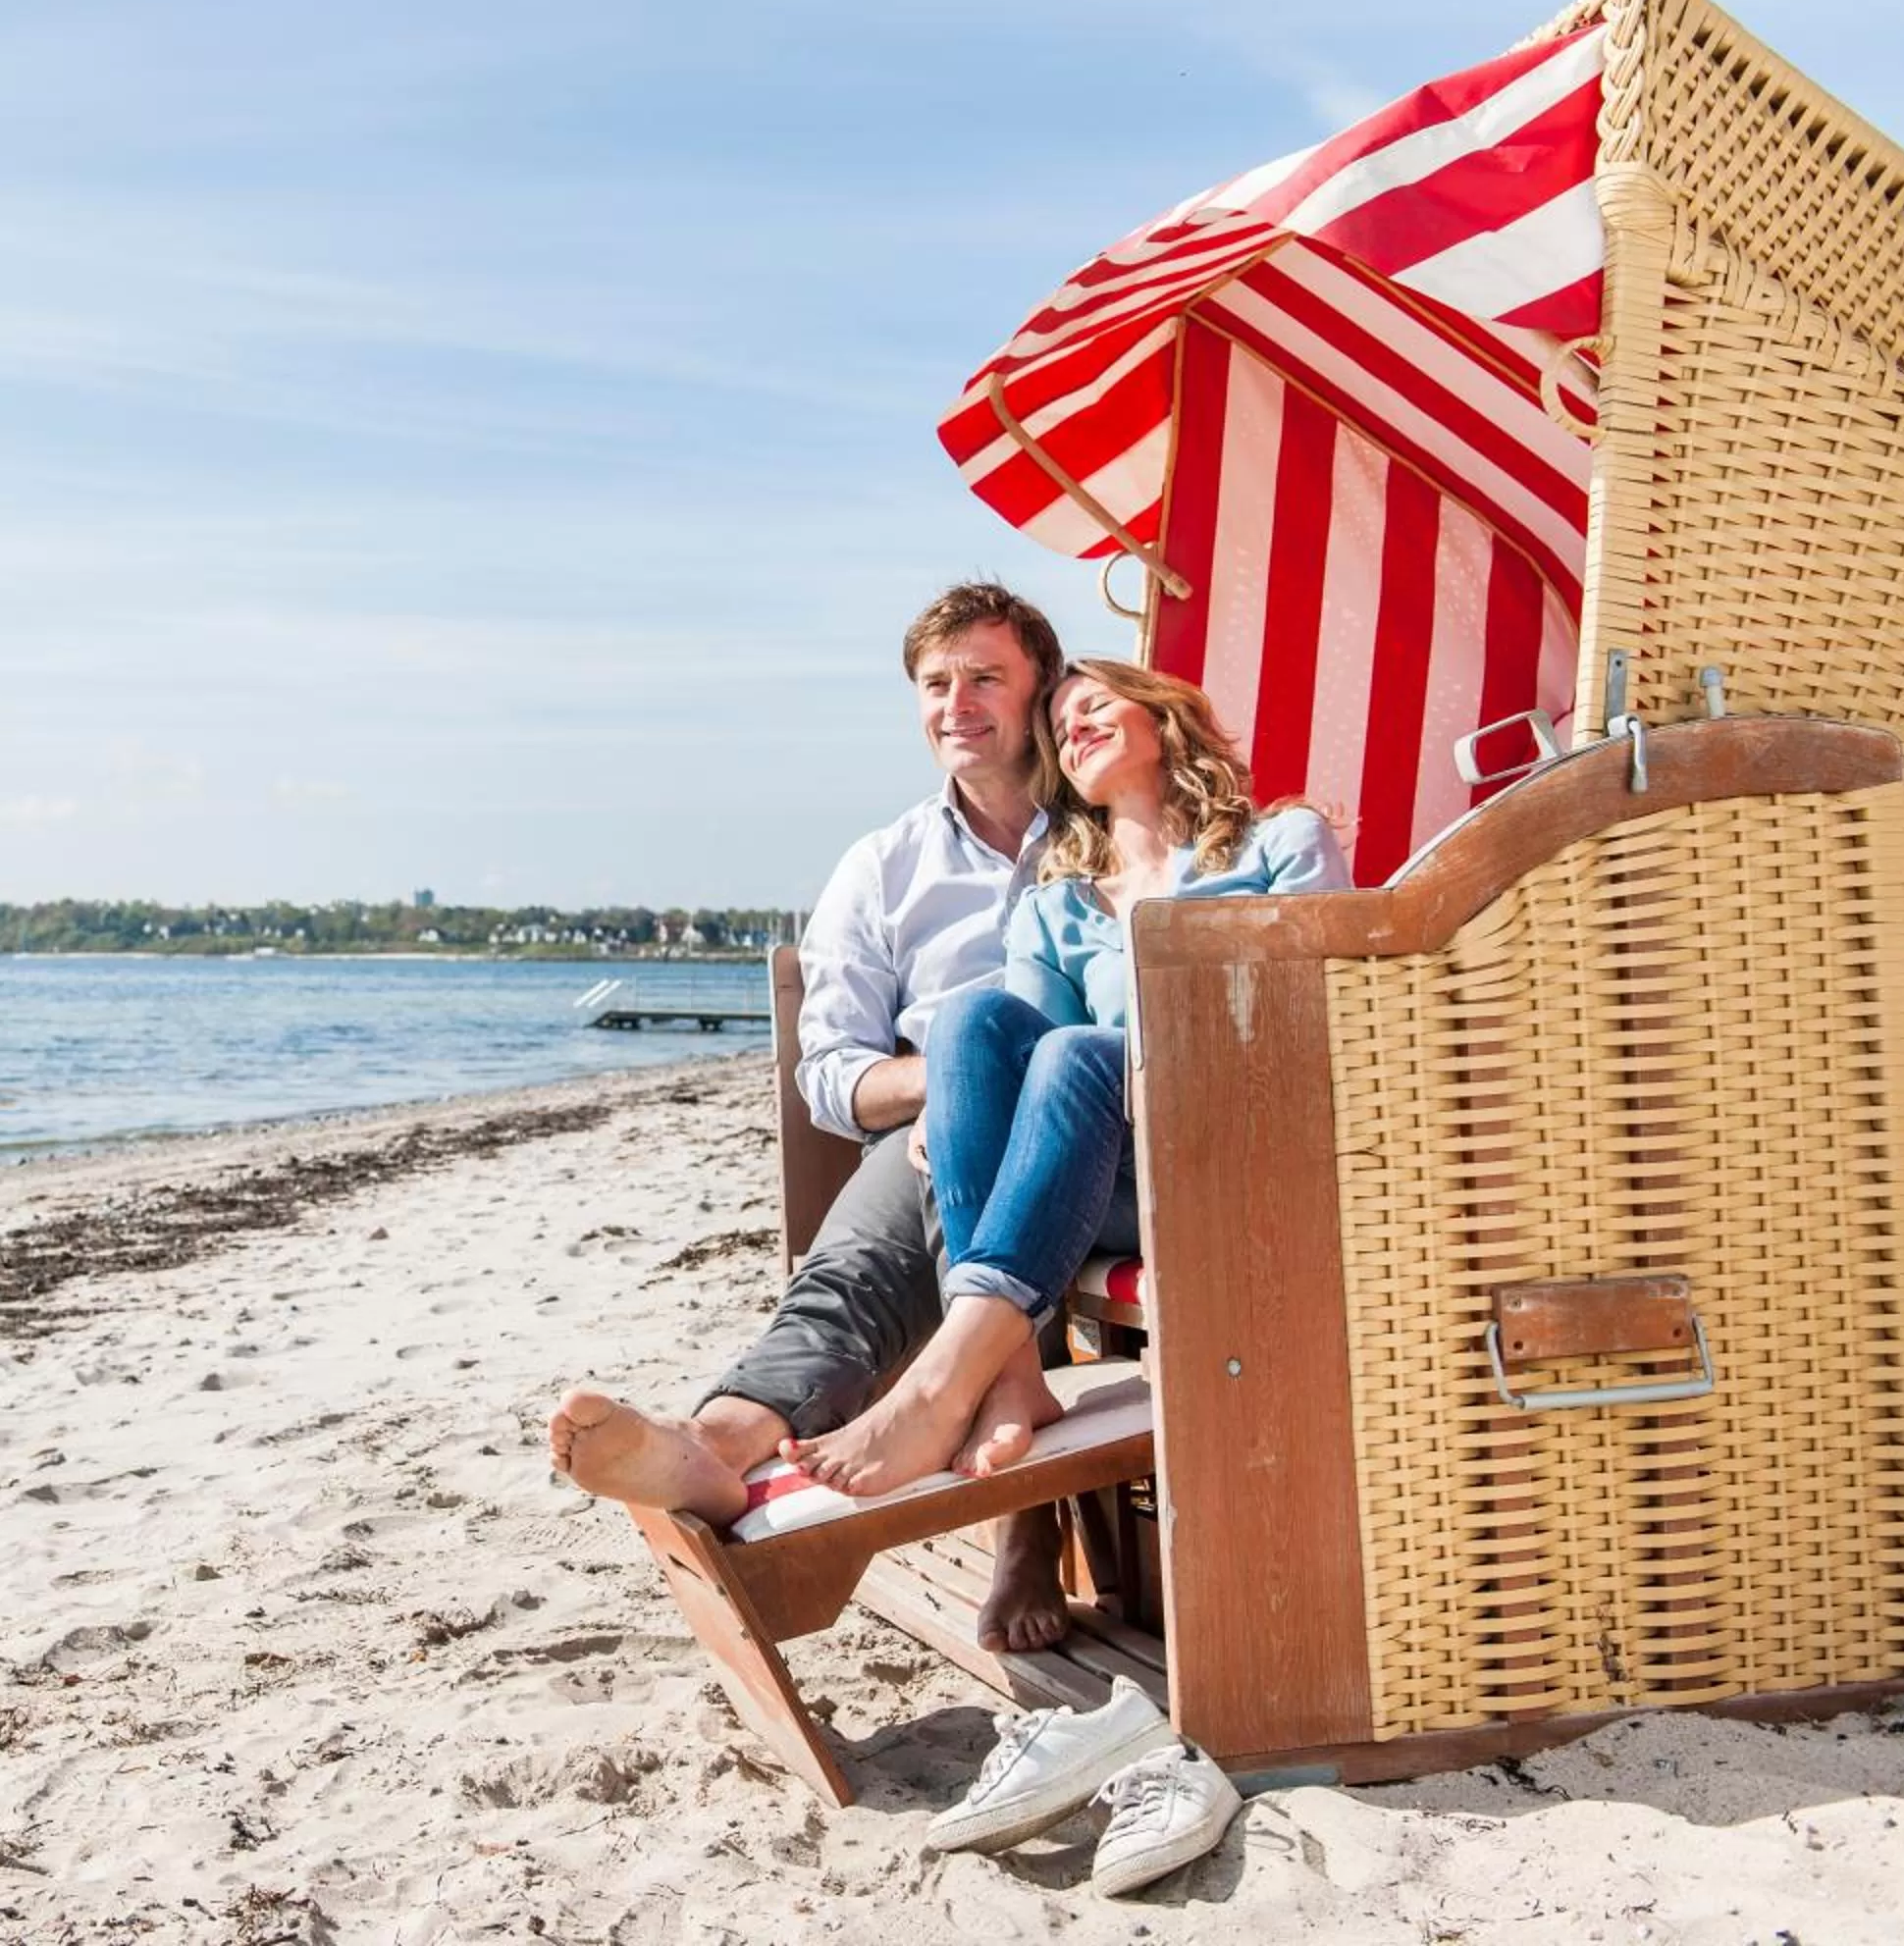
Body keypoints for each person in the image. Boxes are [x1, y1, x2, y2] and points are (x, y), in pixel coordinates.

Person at [549, 580, 1083, 1655]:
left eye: (986, 676)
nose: (957, 703)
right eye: (936, 683)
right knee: (850, 1276)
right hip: (933, 1137)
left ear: (1042, 692)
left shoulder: (1109, 826)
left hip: (1104, 1140)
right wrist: (954, 1089)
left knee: (1018, 1103)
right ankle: (715, 1439)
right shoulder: (884, 866)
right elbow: (832, 1071)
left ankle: (1027, 1524)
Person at [780, 657, 1348, 1501]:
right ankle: (1009, 1373)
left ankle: (945, 1383)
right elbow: (1022, 1061)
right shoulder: (1054, 907)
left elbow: (1329, 1011)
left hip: (1242, 1153)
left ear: (1163, 714)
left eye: (1096, 705)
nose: (1074, 727)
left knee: (1079, 1050)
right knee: (974, 1023)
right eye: (1060, 727)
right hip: (1108, 1187)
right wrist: (950, 1099)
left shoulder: (1279, 845)